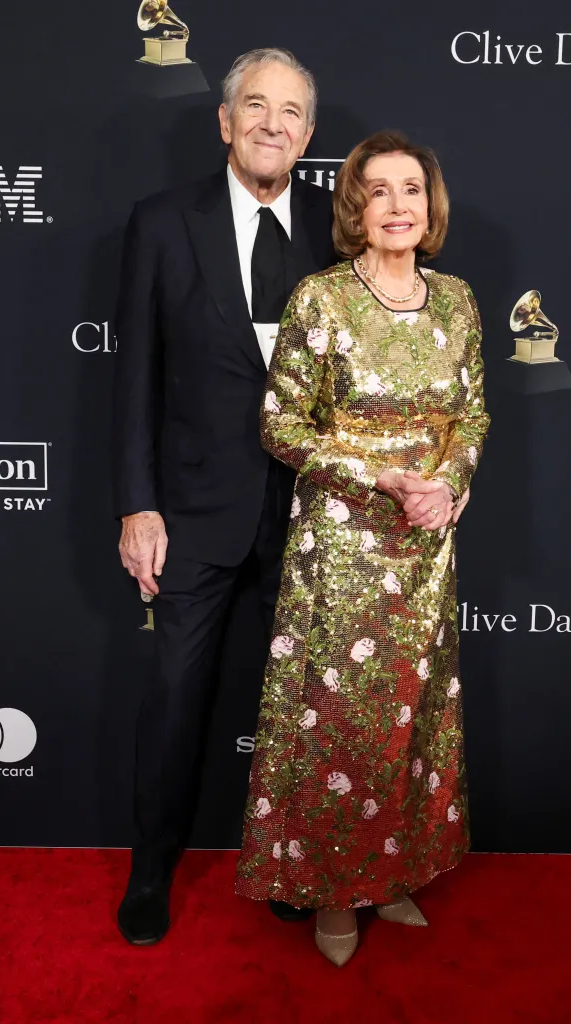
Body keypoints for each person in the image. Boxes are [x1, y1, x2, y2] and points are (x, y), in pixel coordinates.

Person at [235, 130, 490, 965]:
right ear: (354, 208)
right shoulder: (322, 300)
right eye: (375, 191)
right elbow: (280, 424)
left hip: (424, 543)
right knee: (338, 726)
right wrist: (382, 479)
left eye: (409, 189)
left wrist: (446, 485)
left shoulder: (456, 300)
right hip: (341, 546)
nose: (395, 207)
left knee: (410, 723)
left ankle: (393, 875)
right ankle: (330, 892)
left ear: (430, 205)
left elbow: (473, 415)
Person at [111, 48, 337, 945]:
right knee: (174, 699)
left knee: (298, 705)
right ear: (224, 121)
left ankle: (294, 864)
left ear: (308, 135)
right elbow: (134, 377)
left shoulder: (339, 226)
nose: (271, 123)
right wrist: (138, 503)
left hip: (314, 515)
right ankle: (150, 870)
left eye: (289, 111)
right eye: (255, 105)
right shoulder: (163, 222)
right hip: (195, 512)